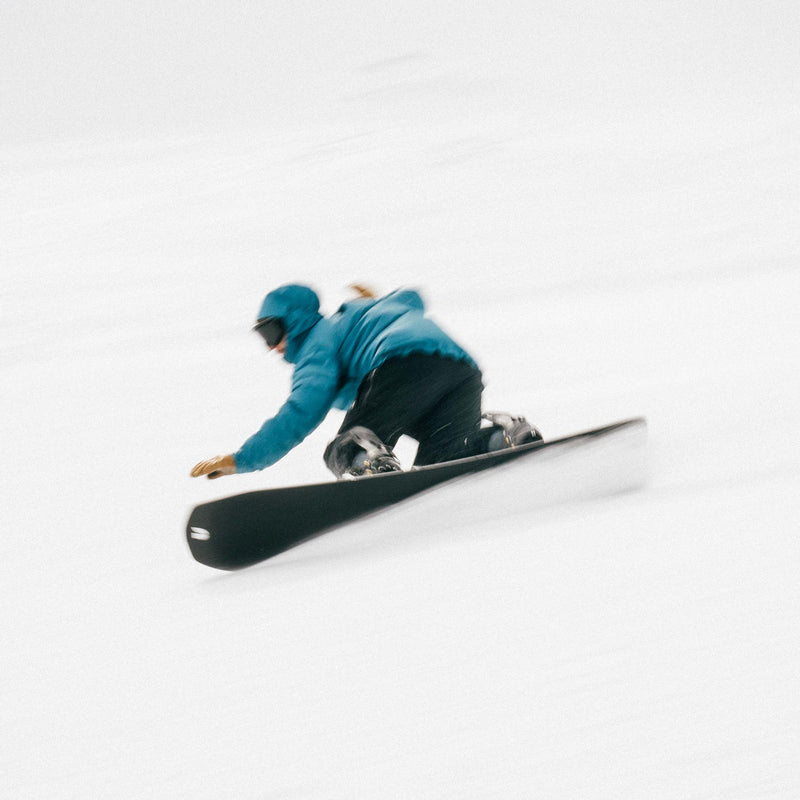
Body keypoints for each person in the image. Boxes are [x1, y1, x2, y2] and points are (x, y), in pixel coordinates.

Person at [190, 283, 540, 481]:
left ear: (295, 321)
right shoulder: (356, 316)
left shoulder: (318, 340)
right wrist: (373, 298)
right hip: (460, 371)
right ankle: (504, 438)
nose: (272, 346)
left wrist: (244, 459)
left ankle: (369, 464)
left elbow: (301, 411)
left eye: (271, 330)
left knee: (347, 443)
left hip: (403, 362)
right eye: (262, 337)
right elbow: (411, 299)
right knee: (446, 456)